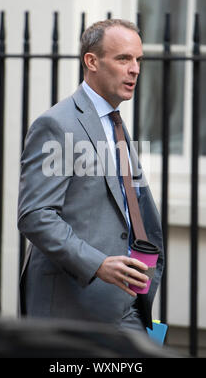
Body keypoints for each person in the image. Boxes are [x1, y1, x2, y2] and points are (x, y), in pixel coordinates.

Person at [18, 19, 164, 332]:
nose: (135, 69)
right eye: (123, 58)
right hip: (72, 308)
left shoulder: (116, 123)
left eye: (138, 60)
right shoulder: (57, 125)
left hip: (126, 303)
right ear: (92, 61)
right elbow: (36, 216)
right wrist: (97, 264)